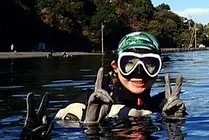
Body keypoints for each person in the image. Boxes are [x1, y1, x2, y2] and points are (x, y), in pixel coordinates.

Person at [55, 31, 186, 123]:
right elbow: (60, 137)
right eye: (129, 64)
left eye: (150, 64)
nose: (139, 72)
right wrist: (90, 126)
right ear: (116, 66)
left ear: (159, 69)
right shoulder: (89, 101)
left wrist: (174, 124)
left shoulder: (165, 106)